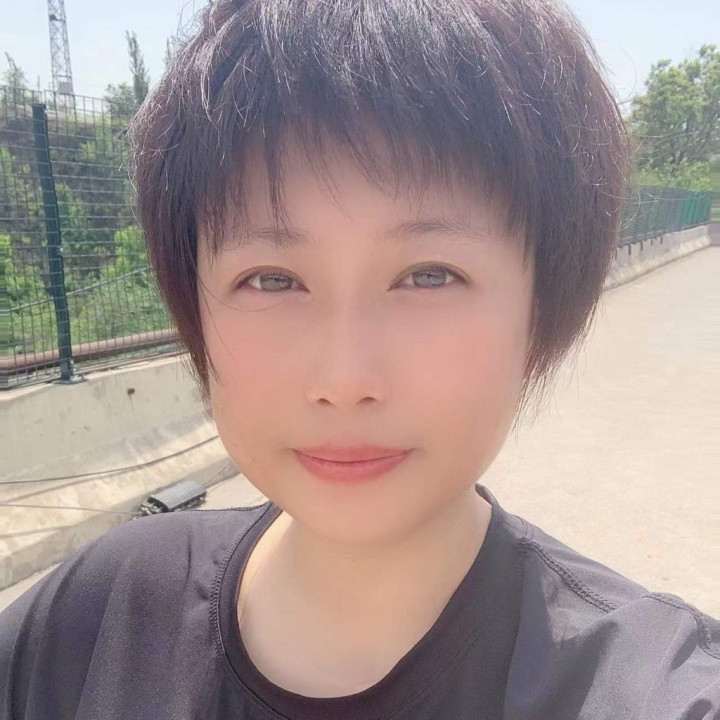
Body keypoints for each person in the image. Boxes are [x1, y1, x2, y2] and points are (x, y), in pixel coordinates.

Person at [1, 0, 718, 717]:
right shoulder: (99, 617)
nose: (344, 382)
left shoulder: (644, 686)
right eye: (272, 279)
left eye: (429, 275)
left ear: (541, 304)